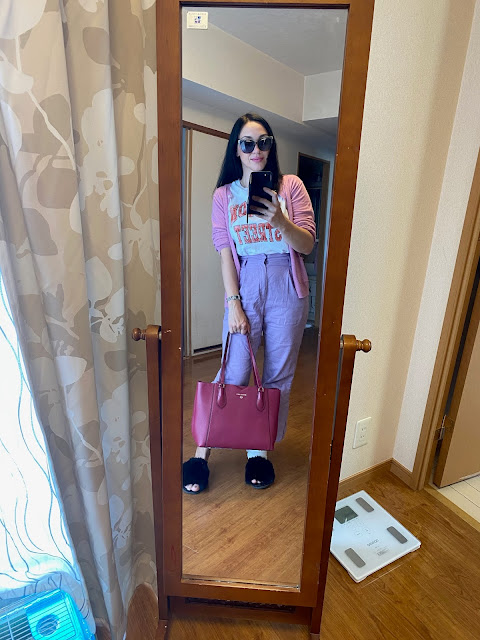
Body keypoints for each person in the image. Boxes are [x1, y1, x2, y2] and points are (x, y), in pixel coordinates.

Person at [183, 113, 316, 494]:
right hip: (246, 284)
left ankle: (259, 453)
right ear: (236, 150)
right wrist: (234, 303)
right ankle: (201, 454)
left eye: (263, 142)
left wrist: (281, 221)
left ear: (271, 147)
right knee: (234, 369)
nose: (256, 150)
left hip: (287, 284)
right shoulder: (224, 196)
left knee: (277, 377)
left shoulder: (290, 187)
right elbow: (225, 252)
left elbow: (307, 245)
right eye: (247, 143)